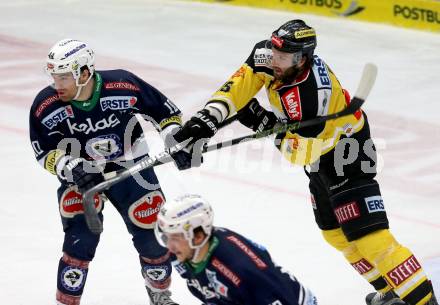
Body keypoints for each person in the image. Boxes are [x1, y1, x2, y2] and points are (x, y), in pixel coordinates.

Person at [171, 20, 438, 305]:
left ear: (302, 58)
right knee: (336, 235)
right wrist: (205, 121)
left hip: (347, 153)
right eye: (274, 52)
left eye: (283, 57)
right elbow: (239, 87)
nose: (275, 60)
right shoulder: (268, 55)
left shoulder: (311, 95)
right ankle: (390, 292)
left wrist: (264, 121)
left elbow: (301, 153)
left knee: (371, 238)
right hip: (319, 160)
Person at [29, 38, 191, 305]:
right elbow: (43, 150)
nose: (57, 85)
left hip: (131, 165)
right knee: (79, 239)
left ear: (84, 72)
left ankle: (160, 295)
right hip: (81, 175)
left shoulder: (123, 84)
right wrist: (70, 167)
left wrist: (176, 140)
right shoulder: (46, 104)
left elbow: (165, 112)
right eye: (54, 77)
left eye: (64, 77)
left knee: (151, 235)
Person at [154, 194, 318, 305]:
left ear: (197, 236)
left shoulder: (241, 270)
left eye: (175, 238)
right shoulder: (187, 250)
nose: (169, 246)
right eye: (167, 237)